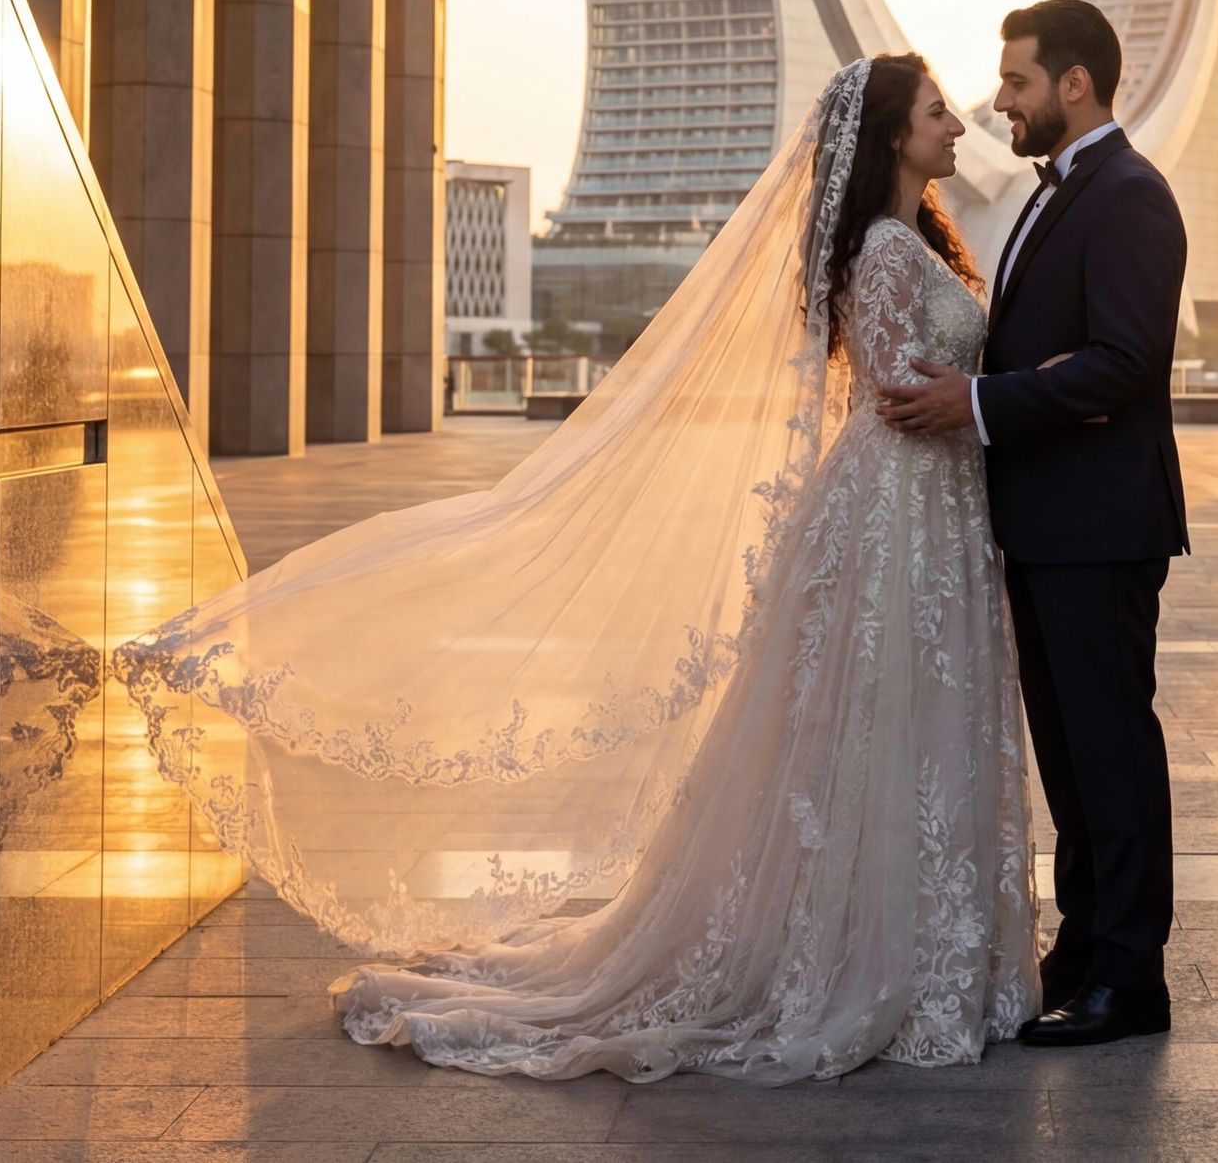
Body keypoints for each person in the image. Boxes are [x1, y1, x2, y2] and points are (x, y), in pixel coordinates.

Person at [116, 53, 1036, 1083]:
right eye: (937, 112)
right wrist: (984, 397)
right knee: (885, 714)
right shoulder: (883, 249)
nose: (957, 126)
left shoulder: (914, 240)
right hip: (898, 506)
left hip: (925, 503)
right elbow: (900, 391)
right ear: (892, 135)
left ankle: (908, 942)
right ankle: (878, 957)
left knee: (900, 719)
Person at [877, 0, 1189, 1047]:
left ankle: (1131, 979)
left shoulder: (1129, 195)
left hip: (1100, 525)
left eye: (1016, 81)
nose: (999, 100)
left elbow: (1124, 363)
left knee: (1112, 752)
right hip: (1049, 525)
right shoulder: (1059, 191)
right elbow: (1049, 355)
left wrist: (978, 401)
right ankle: (1086, 947)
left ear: (1074, 84)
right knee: (1071, 757)